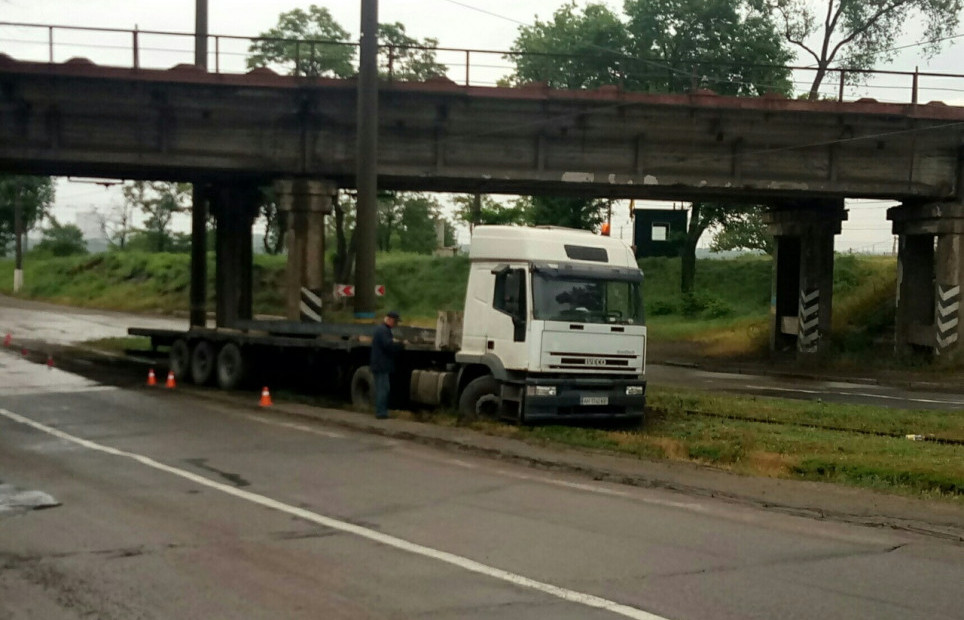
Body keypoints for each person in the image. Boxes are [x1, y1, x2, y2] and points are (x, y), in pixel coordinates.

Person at [370, 310, 401, 419]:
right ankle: (381, 412)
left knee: (383, 388)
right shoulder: (383, 331)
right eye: (395, 322)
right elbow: (388, 345)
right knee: (383, 389)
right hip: (381, 365)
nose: (396, 324)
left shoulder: (383, 330)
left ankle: (381, 411)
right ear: (390, 319)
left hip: (380, 364)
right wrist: (399, 344)